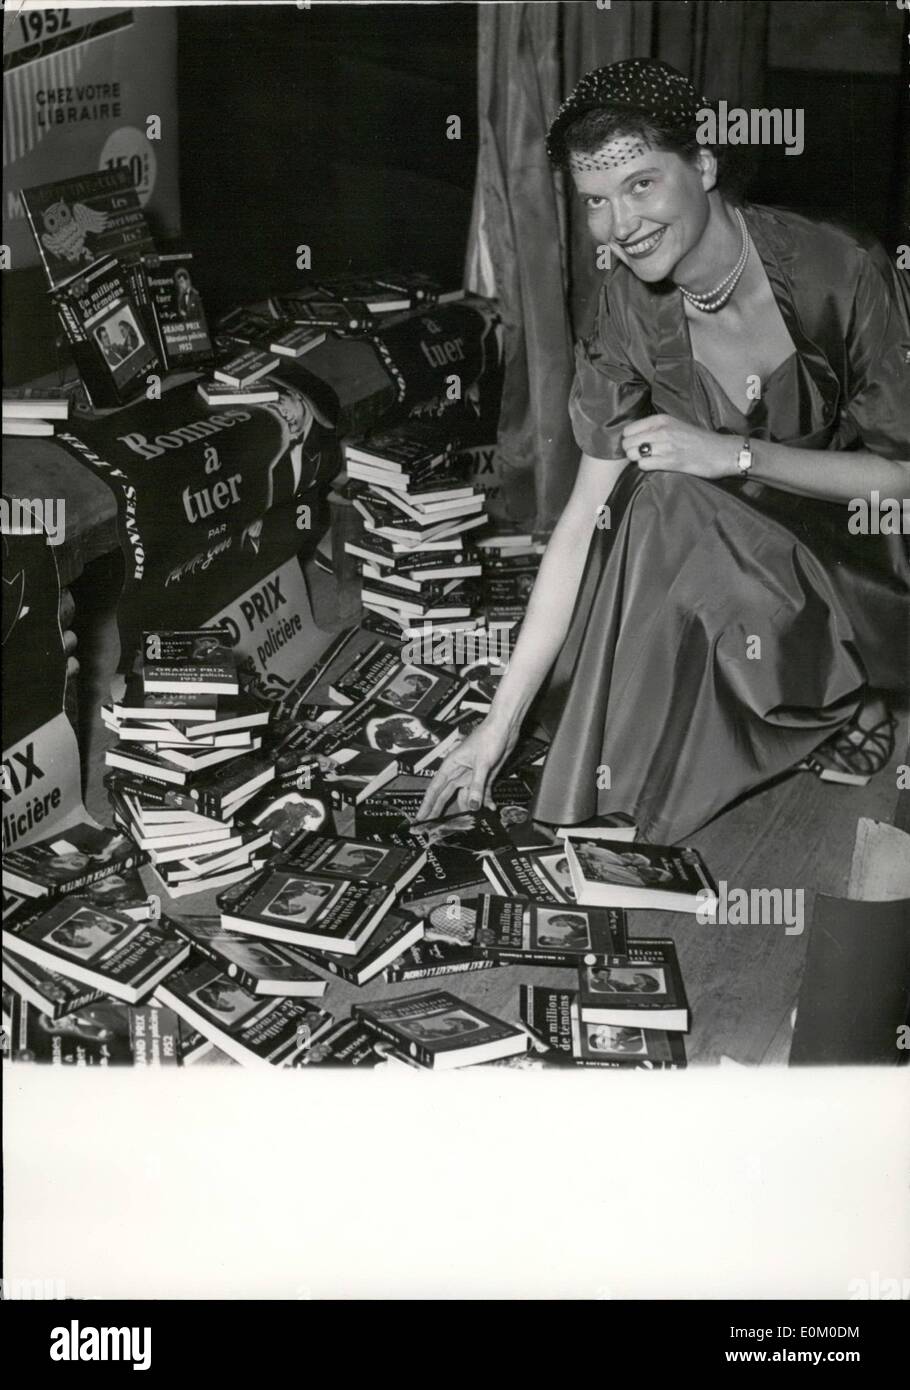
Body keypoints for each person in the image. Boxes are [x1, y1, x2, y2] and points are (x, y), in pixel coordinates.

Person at [417, 58, 909, 844]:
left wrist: (733, 455)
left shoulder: (841, 266)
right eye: (595, 203)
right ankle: (767, 720)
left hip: (867, 548)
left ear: (705, 165)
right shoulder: (625, 306)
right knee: (648, 501)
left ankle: (853, 689)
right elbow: (578, 525)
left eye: (641, 185)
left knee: (679, 491)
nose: (618, 226)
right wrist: (494, 732)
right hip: (749, 560)